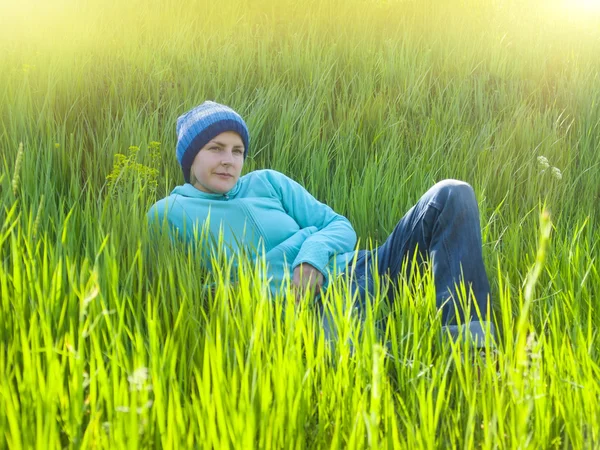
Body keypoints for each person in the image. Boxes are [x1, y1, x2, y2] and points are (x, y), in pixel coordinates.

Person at [147, 101, 496, 349]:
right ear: (191, 157)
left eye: (237, 151)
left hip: (362, 270)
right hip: (307, 310)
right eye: (216, 148)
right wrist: (287, 266)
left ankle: (473, 351)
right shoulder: (168, 214)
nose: (228, 160)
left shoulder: (267, 182)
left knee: (452, 193)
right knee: (370, 363)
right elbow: (199, 295)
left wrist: (310, 255)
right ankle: (417, 351)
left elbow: (339, 226)